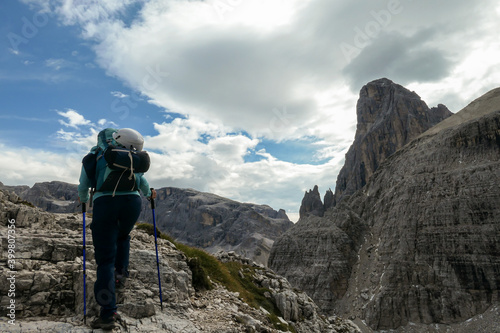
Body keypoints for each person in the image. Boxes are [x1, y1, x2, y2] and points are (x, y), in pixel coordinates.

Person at [78, 128, 156, 330]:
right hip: (132, 202)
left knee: (105, 259)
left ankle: (107, 314)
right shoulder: (130, 157)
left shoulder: (94, 157)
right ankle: (121, 275)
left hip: (106, 203)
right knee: (123, 235)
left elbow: (83, 185)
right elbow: (142, 182)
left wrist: (85, 200)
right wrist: (149, 194)